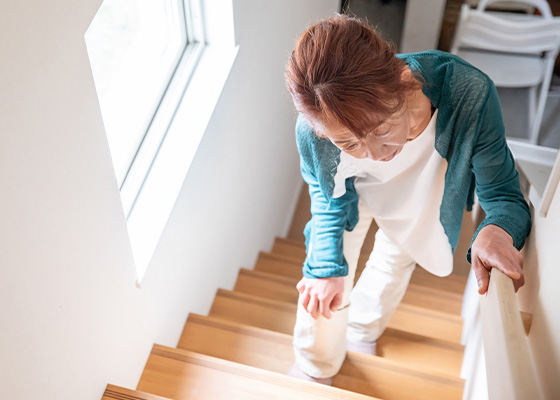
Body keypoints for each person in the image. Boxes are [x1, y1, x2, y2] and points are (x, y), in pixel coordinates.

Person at [284, 14, 531, 384]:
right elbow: (325, 195)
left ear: (404, 81)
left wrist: (496, 230)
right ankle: (315, 363)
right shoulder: (313, 128)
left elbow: (504, 196)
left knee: (397, 255)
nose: (373, 153)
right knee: (328, 267)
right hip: (351, 191)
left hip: (423, 185)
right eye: (348, 143)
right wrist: (326, 269)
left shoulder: (468, 93)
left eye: (380, 129)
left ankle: (363, 328)